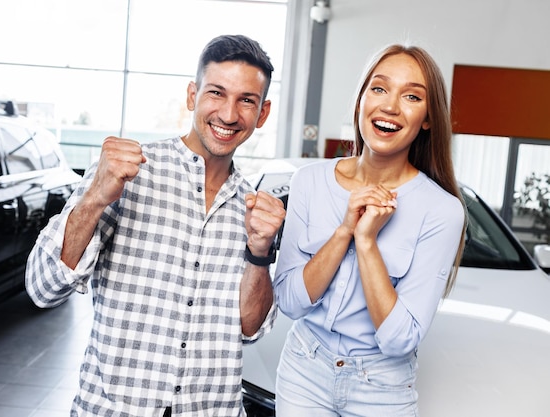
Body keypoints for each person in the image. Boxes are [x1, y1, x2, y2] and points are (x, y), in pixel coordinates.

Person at [25, 34, 285, 417]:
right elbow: (43, 288)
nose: (229, 115)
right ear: (192, 95)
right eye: (216, 93)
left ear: (262, 113)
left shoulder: (253, 209)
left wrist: (259, 255)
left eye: (246, 100)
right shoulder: (125, 174)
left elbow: (251, 330)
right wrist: (95, 197)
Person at [273, 44, 467, 416]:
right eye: (378, 88)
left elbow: (399, 339)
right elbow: (291, 302)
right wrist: (345, 230)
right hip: (304, 370)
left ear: (428, 118)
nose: (390, 106)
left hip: (382, 388)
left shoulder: (442, 211)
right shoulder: (309, 182)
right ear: (361, 100)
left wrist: (366, 241)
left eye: (411, 96)